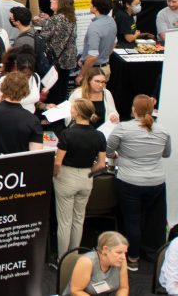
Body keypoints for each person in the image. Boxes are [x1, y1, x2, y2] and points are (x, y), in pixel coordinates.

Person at [107, 94, 171, 270]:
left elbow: (109, 150)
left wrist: (119, 155)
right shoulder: (162, 131)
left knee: (132, 219)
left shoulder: (123, 128)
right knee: (151, 219)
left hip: (129, 181)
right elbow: (166, 154)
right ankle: (151, 255)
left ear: (133, 109)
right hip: (156, 183)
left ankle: (133, 259)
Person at [54, 97, 108, 258]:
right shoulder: (99, 135)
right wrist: (89, 173)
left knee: (64, 222)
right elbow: (101, 164)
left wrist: (55, 174)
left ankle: (63, 259)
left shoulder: (67, 134)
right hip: (86, 178)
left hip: (66, 176)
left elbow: (58, 162)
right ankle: (74, 256)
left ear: (76, 112)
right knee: (79, 219)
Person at [0, 71, 42, 156]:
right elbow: (36, 154)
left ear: (3, 87)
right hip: (17, 166)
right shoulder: (32, 120)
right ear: (25, 92)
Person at [69, 231, 130, 296]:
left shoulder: (121, 261)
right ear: (105, 249)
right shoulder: (87, 262)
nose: (123, 257)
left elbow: (123, 288)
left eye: (125, 253)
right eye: (119, 252)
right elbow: (75, 291)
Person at [79, 0, 116, 85]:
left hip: (93, 72)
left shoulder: (95, 26)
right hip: (105, 68)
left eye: (91, 3)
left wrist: (81, 75)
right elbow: (114, 43)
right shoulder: (112, 21)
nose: (89, 5)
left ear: (95, 8)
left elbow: (92, 56)